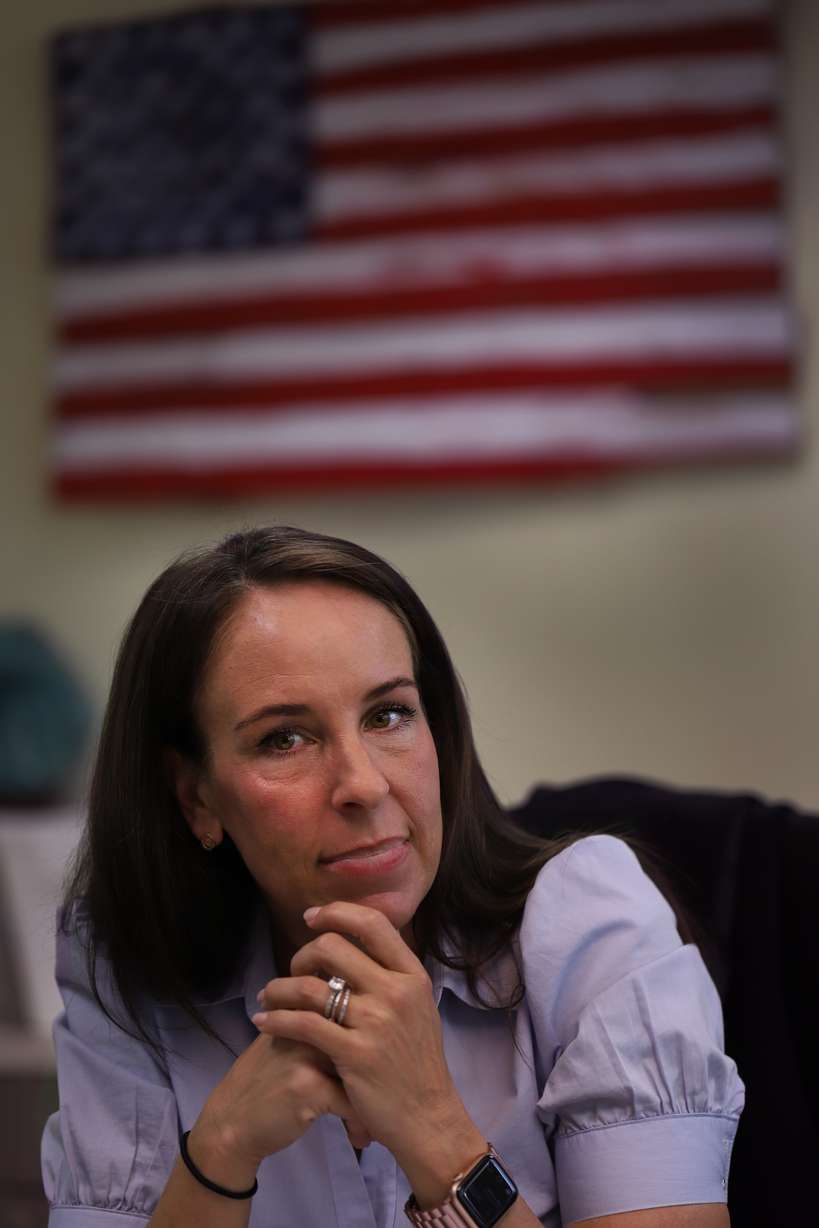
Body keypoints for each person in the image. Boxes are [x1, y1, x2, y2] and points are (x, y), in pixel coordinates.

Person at [42, 526, 743, 1228]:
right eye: (283, 738)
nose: (363, 783)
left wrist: (434, 1130)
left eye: (388, 714)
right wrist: (222, 1148)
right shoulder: (125, 969)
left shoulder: (589, 923)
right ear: (197, 797)